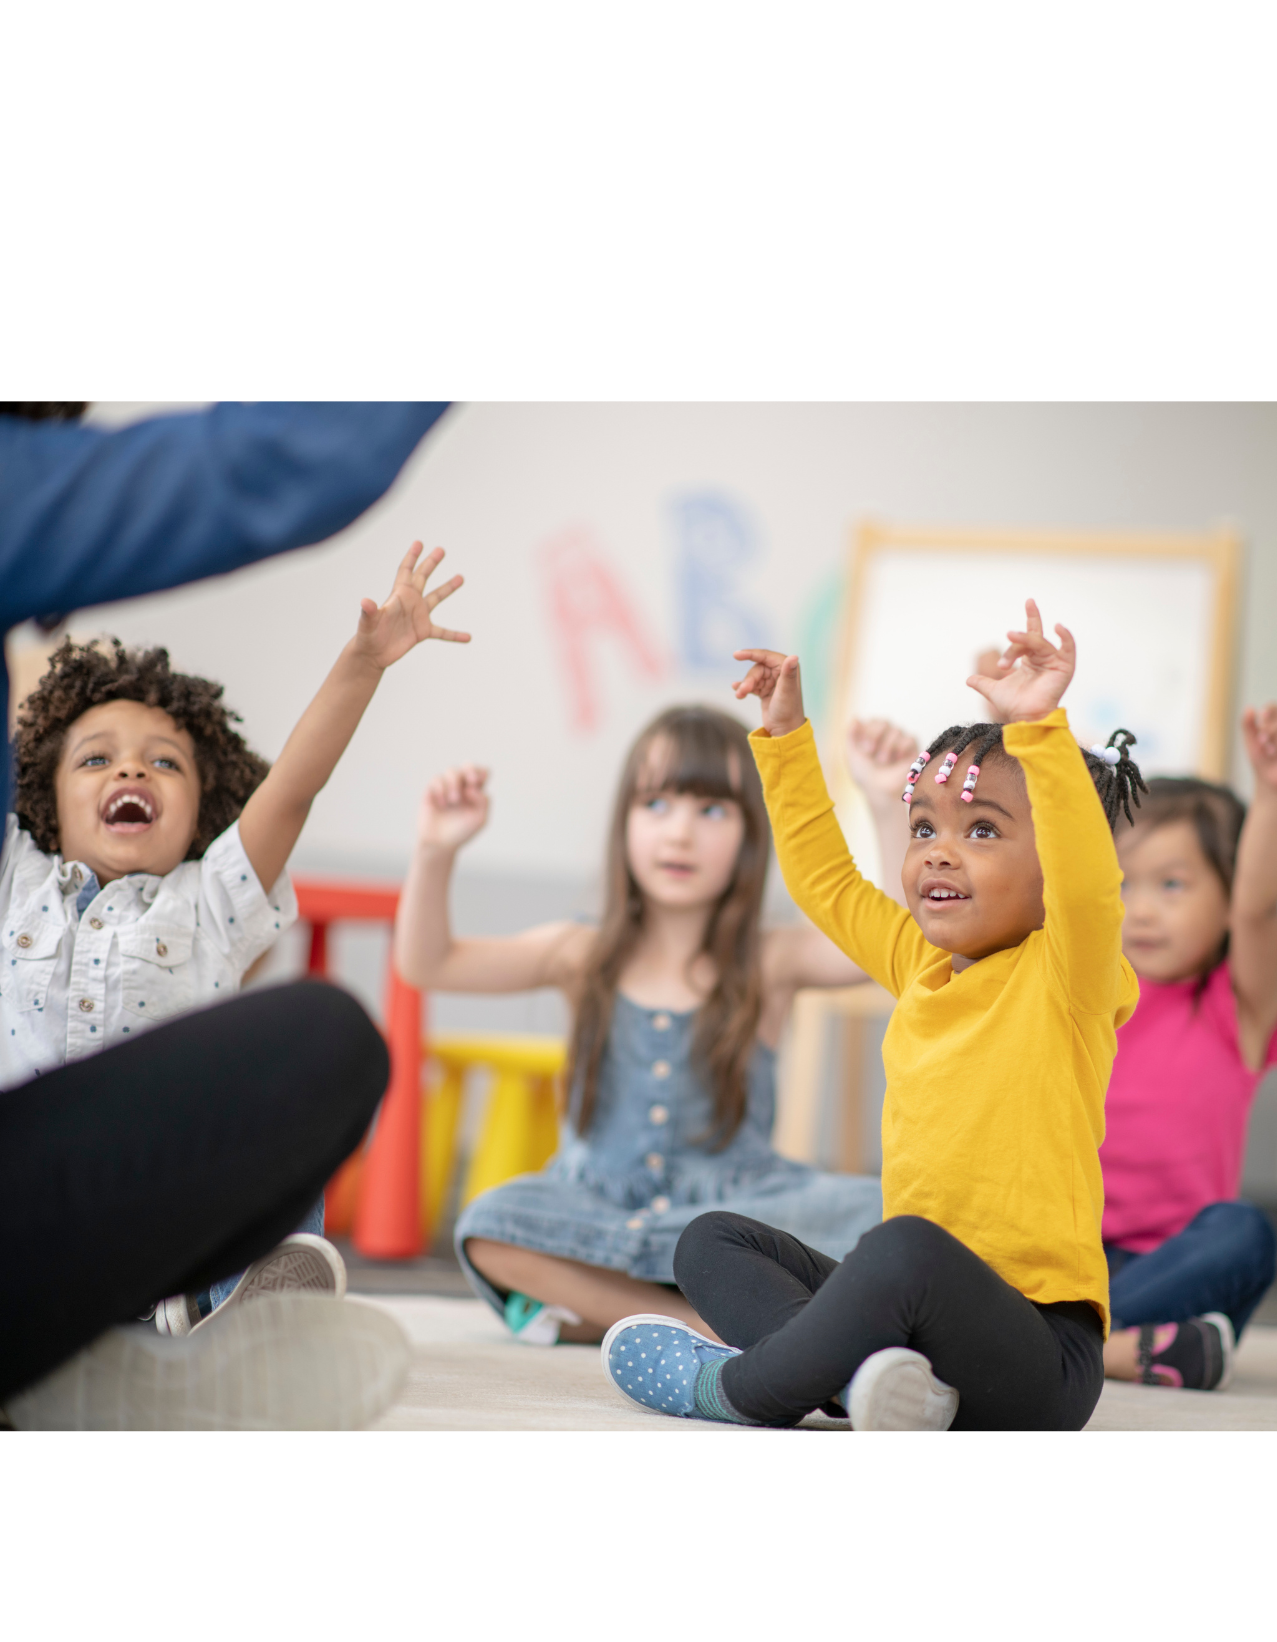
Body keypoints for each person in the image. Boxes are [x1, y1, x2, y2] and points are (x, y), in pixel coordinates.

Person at [0, 399, 448, 1428]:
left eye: (164, 762)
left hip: (153, 1192)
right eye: (98, 758)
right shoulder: (20, 879)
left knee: (326, 1033)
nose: (132, 771)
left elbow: (291, 786)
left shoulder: (211, 897)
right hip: (51, 1196)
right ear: (42, 795)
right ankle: (124, 1352)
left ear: (204, 804)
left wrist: (363, 663)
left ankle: (250, 1296)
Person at [602, 601, 1144, 1433]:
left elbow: (1086, 888)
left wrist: (1039, 730)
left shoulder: (1069, 975)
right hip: (919, 1341)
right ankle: (876, 1395)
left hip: (1040, 1355)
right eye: (924, 824)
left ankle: (743, 1391)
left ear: (1052, 869)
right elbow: (826, 882)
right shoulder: (918, 964)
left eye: (982, 830)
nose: (935, 848)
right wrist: (785, 738)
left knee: (904, 1248)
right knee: (710, 1241)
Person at [395, 709, 918, 1342]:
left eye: (712, 811)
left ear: (753, 834)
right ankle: (710, 1325)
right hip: (598, 1209)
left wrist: (889, 803)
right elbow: (429, 963)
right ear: (624, 823)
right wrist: (434, 850)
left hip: (734, 1216)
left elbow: (892, 939)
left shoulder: (769, 959)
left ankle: (597, 1314)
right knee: (491, 1224)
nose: (680, 834)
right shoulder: (579, 951)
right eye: (656, 803)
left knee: (892, 1218)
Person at [1090, 704, 1277, 1391]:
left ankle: (1058, 1352)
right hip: (1070, 1260)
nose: (1142, 909)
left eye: (1172, 884)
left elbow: (1258, 909)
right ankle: (1118, 1353)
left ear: (1224, 901)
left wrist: (1274, 791)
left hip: (1178, 1268)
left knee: (1243, 1234)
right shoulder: (1084, 990)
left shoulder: (1233, 1009)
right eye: (1123, 884)